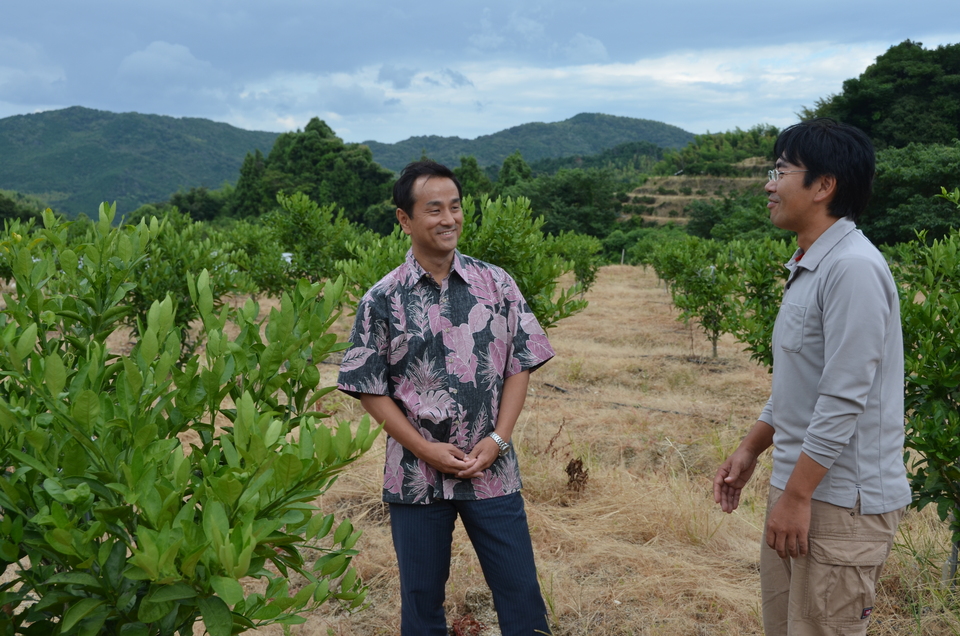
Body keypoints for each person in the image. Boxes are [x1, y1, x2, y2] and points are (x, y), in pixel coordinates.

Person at [338, 160, 553, 635]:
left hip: (490, 468)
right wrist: (423, 448)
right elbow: (368, 388)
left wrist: (498, 438)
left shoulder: (496, 284)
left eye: (455, 207)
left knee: (520, 593)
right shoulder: (382, 299)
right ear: (404, 219)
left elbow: (520, 364)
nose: (448, 218)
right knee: (421, 602)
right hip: (416, 477)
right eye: (433, 209)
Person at [713, 119, 911, 636]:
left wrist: (798, 497)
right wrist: (751, 449)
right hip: (802, 493)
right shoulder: (810, 265)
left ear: (824, 186)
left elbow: (844, 398)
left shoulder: (853, 269)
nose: (768, 183)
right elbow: (800, 387)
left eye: (780, 170)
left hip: (837, 503)